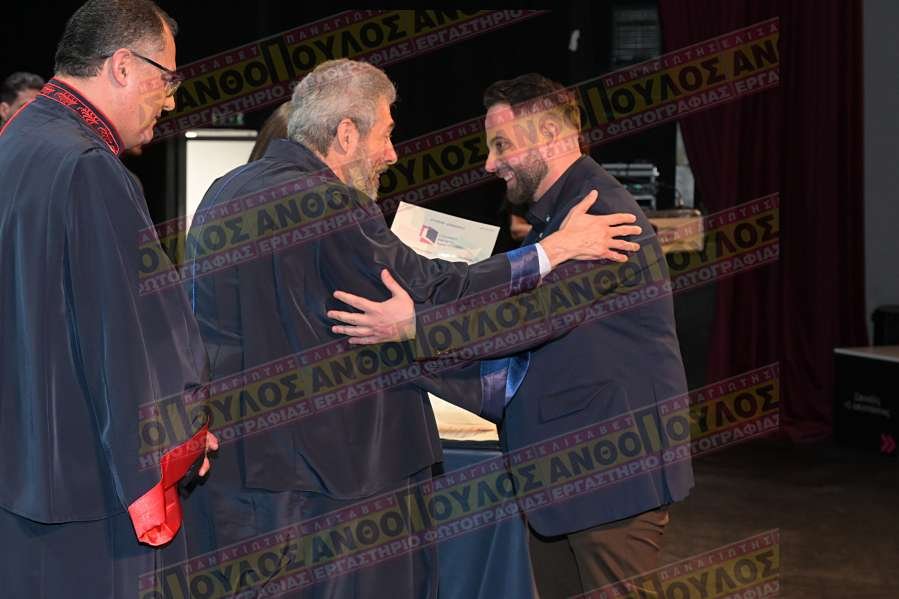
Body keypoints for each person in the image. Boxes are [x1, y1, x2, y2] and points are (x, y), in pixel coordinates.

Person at [182, 59, 642, 598]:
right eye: (386, 133)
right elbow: (431, 287)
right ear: (347, 134)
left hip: (235, 475)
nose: (392, 154)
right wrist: (548, 252)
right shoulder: (330, 201)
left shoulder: (223, 192)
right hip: (335, 487)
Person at [331, 73, 694, 598]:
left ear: (548, 135)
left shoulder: (602, 218)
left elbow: (527, 319)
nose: (489, 163)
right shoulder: (560, 219)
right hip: (570, 480)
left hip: (610, 476)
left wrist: (413, 327)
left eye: (501, 145)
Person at [0, 1, 216, 597]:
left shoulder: (17, 141)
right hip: (86, 495)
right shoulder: (90, 167)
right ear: (122, 66)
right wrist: (184, 434)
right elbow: (132, 339)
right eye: (166, 78)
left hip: (20, 477)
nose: (169, 101)